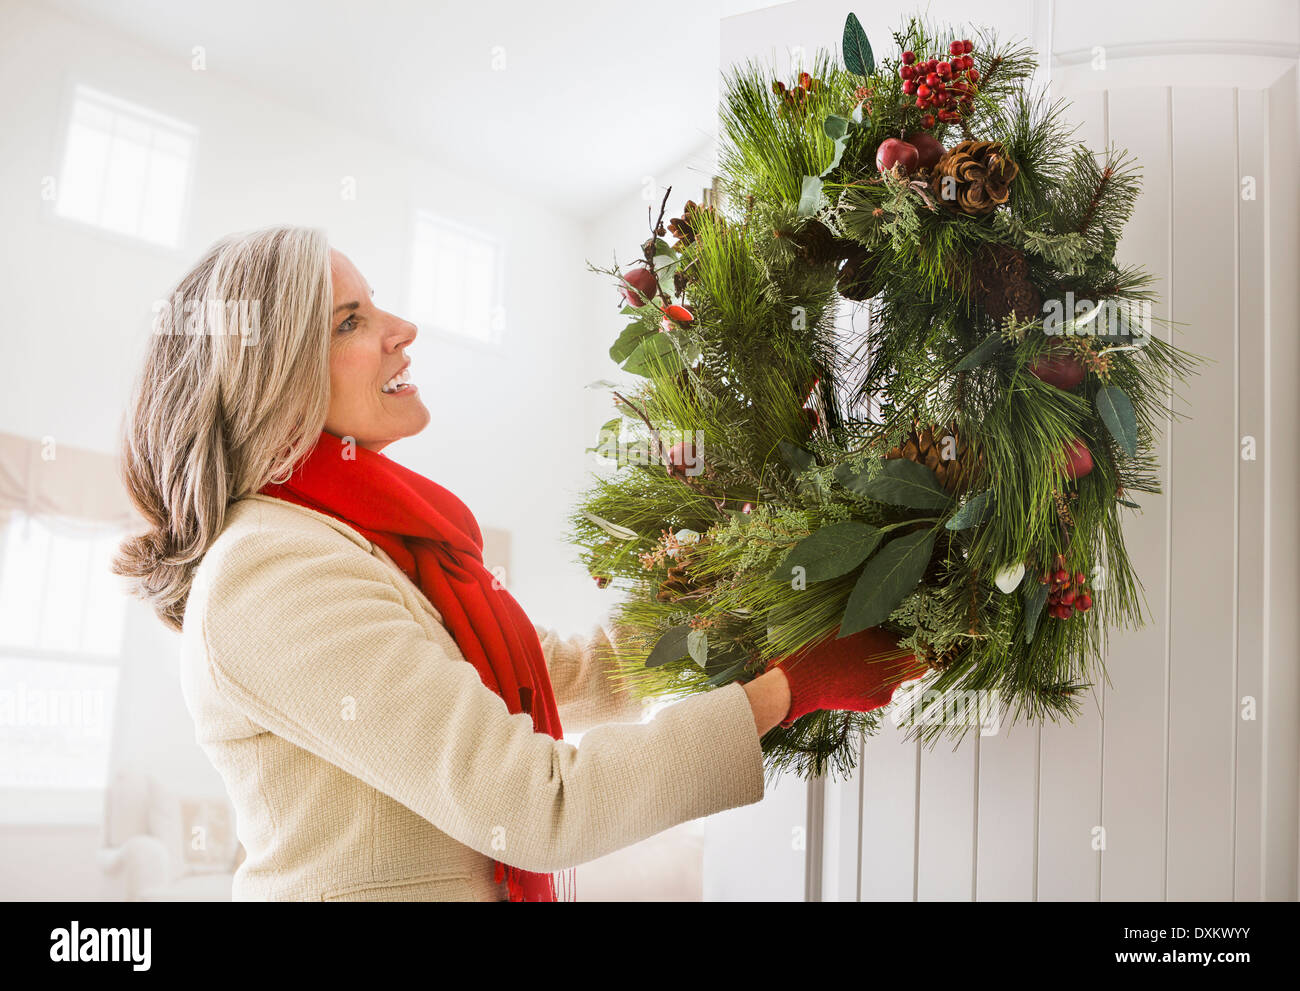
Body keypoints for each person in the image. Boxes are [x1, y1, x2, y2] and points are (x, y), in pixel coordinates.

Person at [113, 225, 926, 901]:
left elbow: (577, 675)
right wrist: (791, 686)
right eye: (350, 320)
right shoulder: (273, 570)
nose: (403, 329)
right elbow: (537, 806)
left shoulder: (366, 542)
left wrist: (738, 598)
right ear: (269, 378)